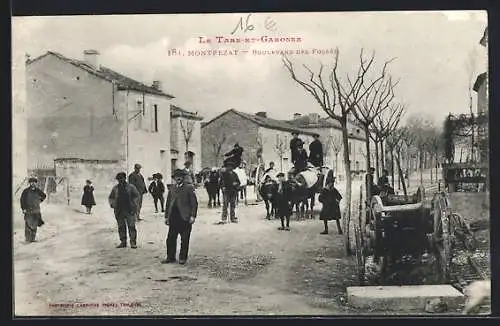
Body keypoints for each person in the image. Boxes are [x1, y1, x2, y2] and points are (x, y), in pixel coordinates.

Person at [162, 169, 198, 265]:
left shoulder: (189, 188)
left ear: (183, 178)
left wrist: (193, 216)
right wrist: (166, 217)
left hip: (185, 217)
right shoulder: (172, 188)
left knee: (185, 239)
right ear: (174, 178)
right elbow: (168, 203)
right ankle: (170, 257)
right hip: (173, 217)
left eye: (180, 176)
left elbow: (194, 203)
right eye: (176, 176)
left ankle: (182, 258)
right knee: (170, 239)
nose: (178, 178)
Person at [108, 172, 140, 249]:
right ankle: (123, 242)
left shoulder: (131, 187)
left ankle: (133, 242)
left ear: (124, 178)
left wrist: (134, 204)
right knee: (121, 226)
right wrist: (112, 204)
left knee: (131, 226)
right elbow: (111, 197)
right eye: (119, 179)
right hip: (119, 210)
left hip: (129, 210)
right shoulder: (115, 188)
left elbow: (137, 196)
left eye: (121, 179)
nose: (120, 181)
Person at [20, 177, 47, 243]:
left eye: (34, 182)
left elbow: (44, 196)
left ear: (36, 183)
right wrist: (23, 208)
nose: (33, 183)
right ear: (29, 183)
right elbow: (22, 200)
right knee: (28, 224)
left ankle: (32, 239)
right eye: (31, 182)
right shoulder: (26, 191)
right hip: (28, 210)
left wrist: (40, 201)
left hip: (36, 210)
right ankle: (27, 239)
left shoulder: (38, 190)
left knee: (34, 225)